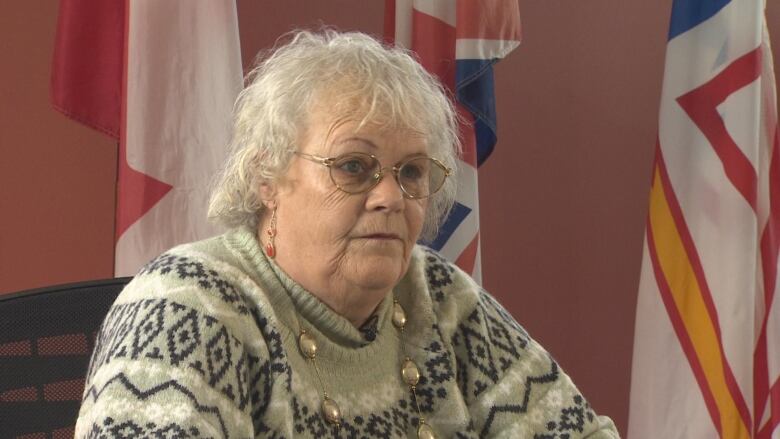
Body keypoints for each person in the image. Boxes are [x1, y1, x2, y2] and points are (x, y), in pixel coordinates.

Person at [75, 30, 619, 438]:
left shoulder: (436, 295)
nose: (390, 197)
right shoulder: (185, 307)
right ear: (268, 178)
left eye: (411, 172)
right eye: (354, 167)